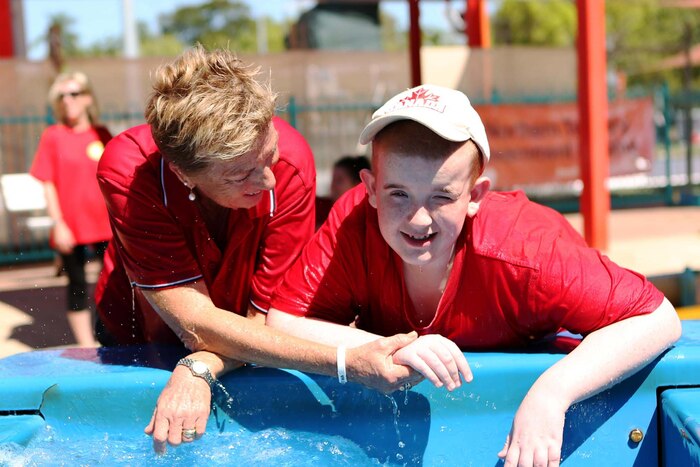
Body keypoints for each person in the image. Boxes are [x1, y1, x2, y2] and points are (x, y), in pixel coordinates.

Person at [266, 84, 683, 466]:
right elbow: (283, 322)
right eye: (398, 194)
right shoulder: (354, 224)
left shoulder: (525, 250)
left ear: (475, 196)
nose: (418, 218)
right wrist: (387, 347)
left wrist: (552, 395)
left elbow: (658, 317)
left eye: (442, 196)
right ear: (371, 189)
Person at [94, 47, 429, 454]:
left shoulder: (291, 161)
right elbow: (196, 323)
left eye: (268, 155)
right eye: (242, 173)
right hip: (136, 334)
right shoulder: (128, 172)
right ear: (182, 172)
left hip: (228, 341)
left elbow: (264, 322)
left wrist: (201, 364)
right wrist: (347, 362)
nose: (270, 180)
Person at [30, 71, 112, 347]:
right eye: (62, 96)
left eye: (74, 93)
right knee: (77, 285)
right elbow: (48, 182)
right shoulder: (53, 136)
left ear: (87, 97)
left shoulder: (101, 134)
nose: (68, 100)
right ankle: (87, 346)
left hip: (106, 224)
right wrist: (58, 223)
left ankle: (110, 337)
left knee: (112, 284)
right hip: (71, 226)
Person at [316, 155, 372, 228]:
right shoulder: (322, 208)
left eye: (339, 180)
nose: (333, 185)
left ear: (358, 184)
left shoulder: (369, 218)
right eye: (333, 180)